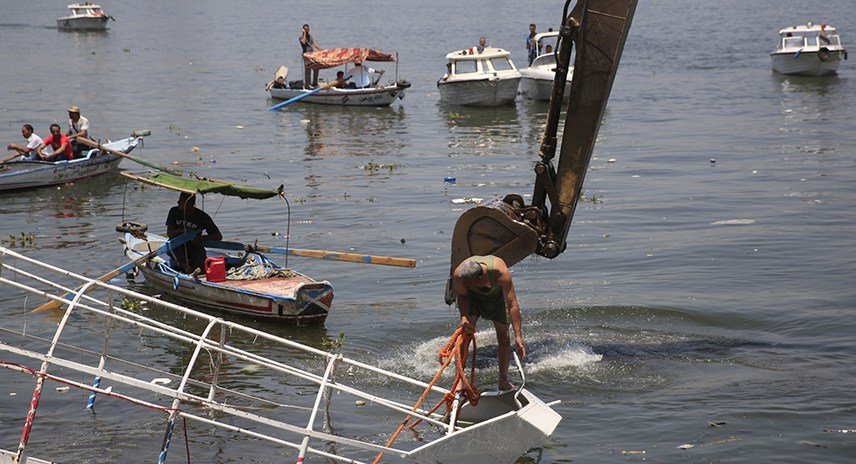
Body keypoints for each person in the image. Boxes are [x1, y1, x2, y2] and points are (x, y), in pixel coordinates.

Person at [451, 254, 526, 391]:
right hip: (473, 300)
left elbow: (513, 305)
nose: (469, 286)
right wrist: (464, 317)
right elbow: (463, 295)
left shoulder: (500, 272)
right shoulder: (459, 275)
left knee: (504, 337)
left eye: (471, 284)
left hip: (497, 300)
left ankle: (503, 380)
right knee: (465, 336)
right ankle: (459, 380)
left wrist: (518, 336)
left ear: (481, 277)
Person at [166, 192, 223, 274]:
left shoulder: (202, 216)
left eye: (181, 200)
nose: (178, 202)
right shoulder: (174, 212)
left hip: (194, 246)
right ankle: (185, 266)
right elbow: (169, 233)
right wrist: (183, 231)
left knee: (200, 251)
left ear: (188, 203)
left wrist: (200, 238)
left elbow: (218, 236)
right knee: (174, 244)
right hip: (177, 247)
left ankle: (202, 272)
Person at [299, 24, 321, 88]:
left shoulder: (310, 36)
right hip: (306, 54)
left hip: (312, 54)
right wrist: (304, 33)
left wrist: (320, 49)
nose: (307, 30)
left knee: (316, 68)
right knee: (308, 69)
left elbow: (313, 43)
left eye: (308, 29)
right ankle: (307, 84)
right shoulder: (301, 37)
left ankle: (315, 83)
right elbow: (303, 42)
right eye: (306, 29)